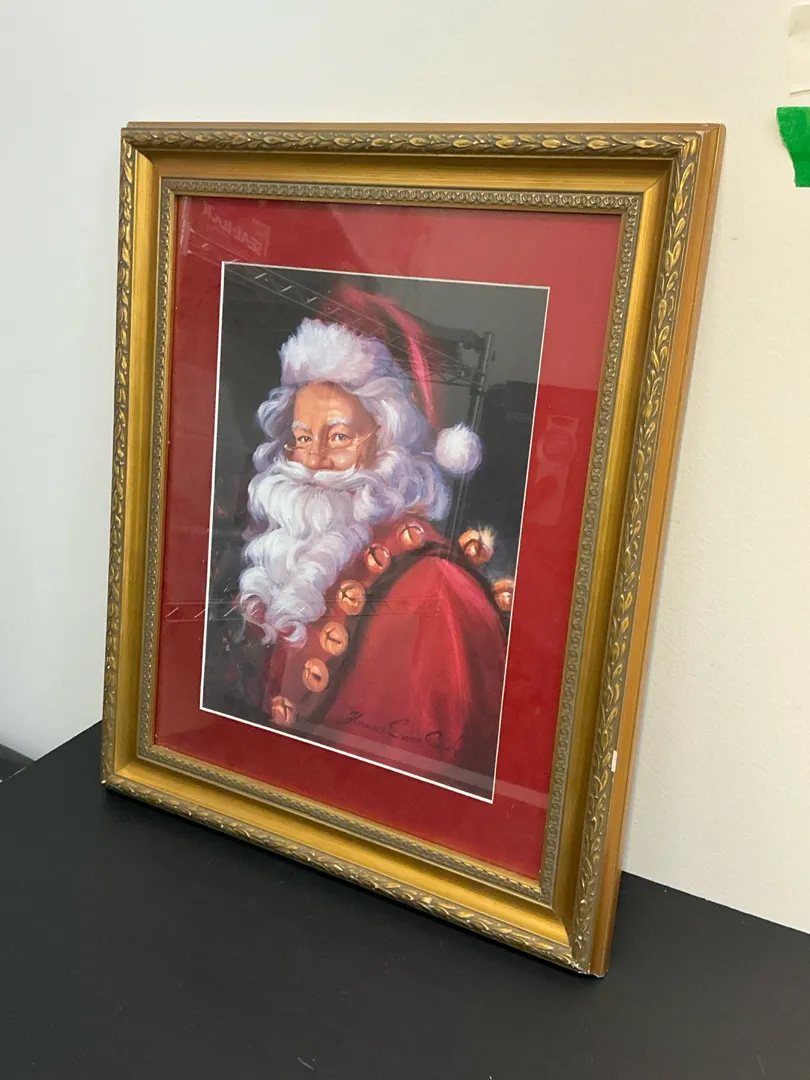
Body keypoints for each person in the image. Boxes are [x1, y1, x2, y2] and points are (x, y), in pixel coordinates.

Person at [238, 296, 513, 794]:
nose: (314, 461)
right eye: (302, 438)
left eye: (340, 437)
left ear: (389, 445)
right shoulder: (296, 562)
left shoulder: (436, 589)